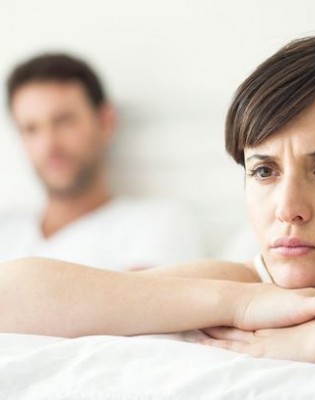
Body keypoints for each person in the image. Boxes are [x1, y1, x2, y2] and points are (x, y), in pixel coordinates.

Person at [0, 32, 315, 375]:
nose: (287, 208)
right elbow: (11, 296)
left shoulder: (157, 220)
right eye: (264, 171)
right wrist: (242, 303)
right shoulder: (250, 287)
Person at [1, 53, 203, 270]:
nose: (49, 144)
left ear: (106, 122)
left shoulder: (156, 223)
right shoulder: (6, 231)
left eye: (64, 122)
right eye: (31, 129)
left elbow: (138, 293)